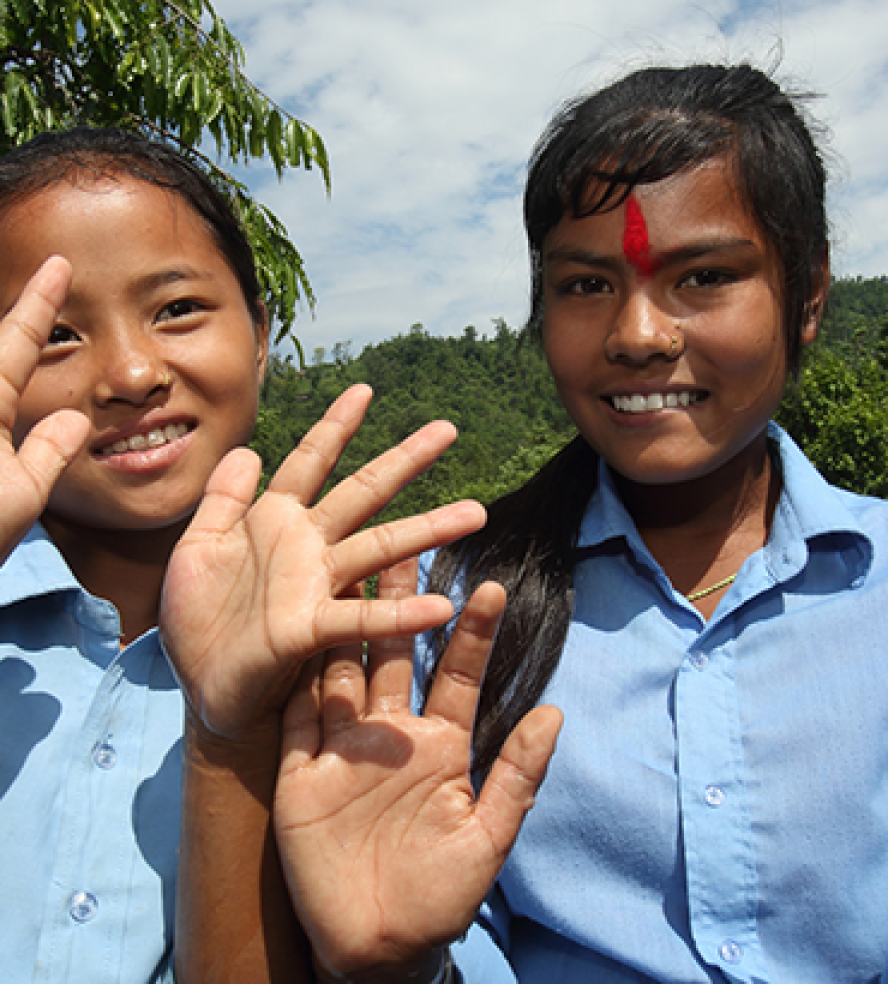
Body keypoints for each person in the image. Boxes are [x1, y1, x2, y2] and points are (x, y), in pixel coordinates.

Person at [0, 127, 559, 983]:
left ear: (260, 332)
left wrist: (389, 968)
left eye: (177, 309)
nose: (133, 373)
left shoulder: (357, 673)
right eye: (54, 336)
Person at [273, 63, 888, 983]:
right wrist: (396, 961)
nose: (638, 333)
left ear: (807, 298)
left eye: (706, 276)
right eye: (586, 285)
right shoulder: (453, 615)